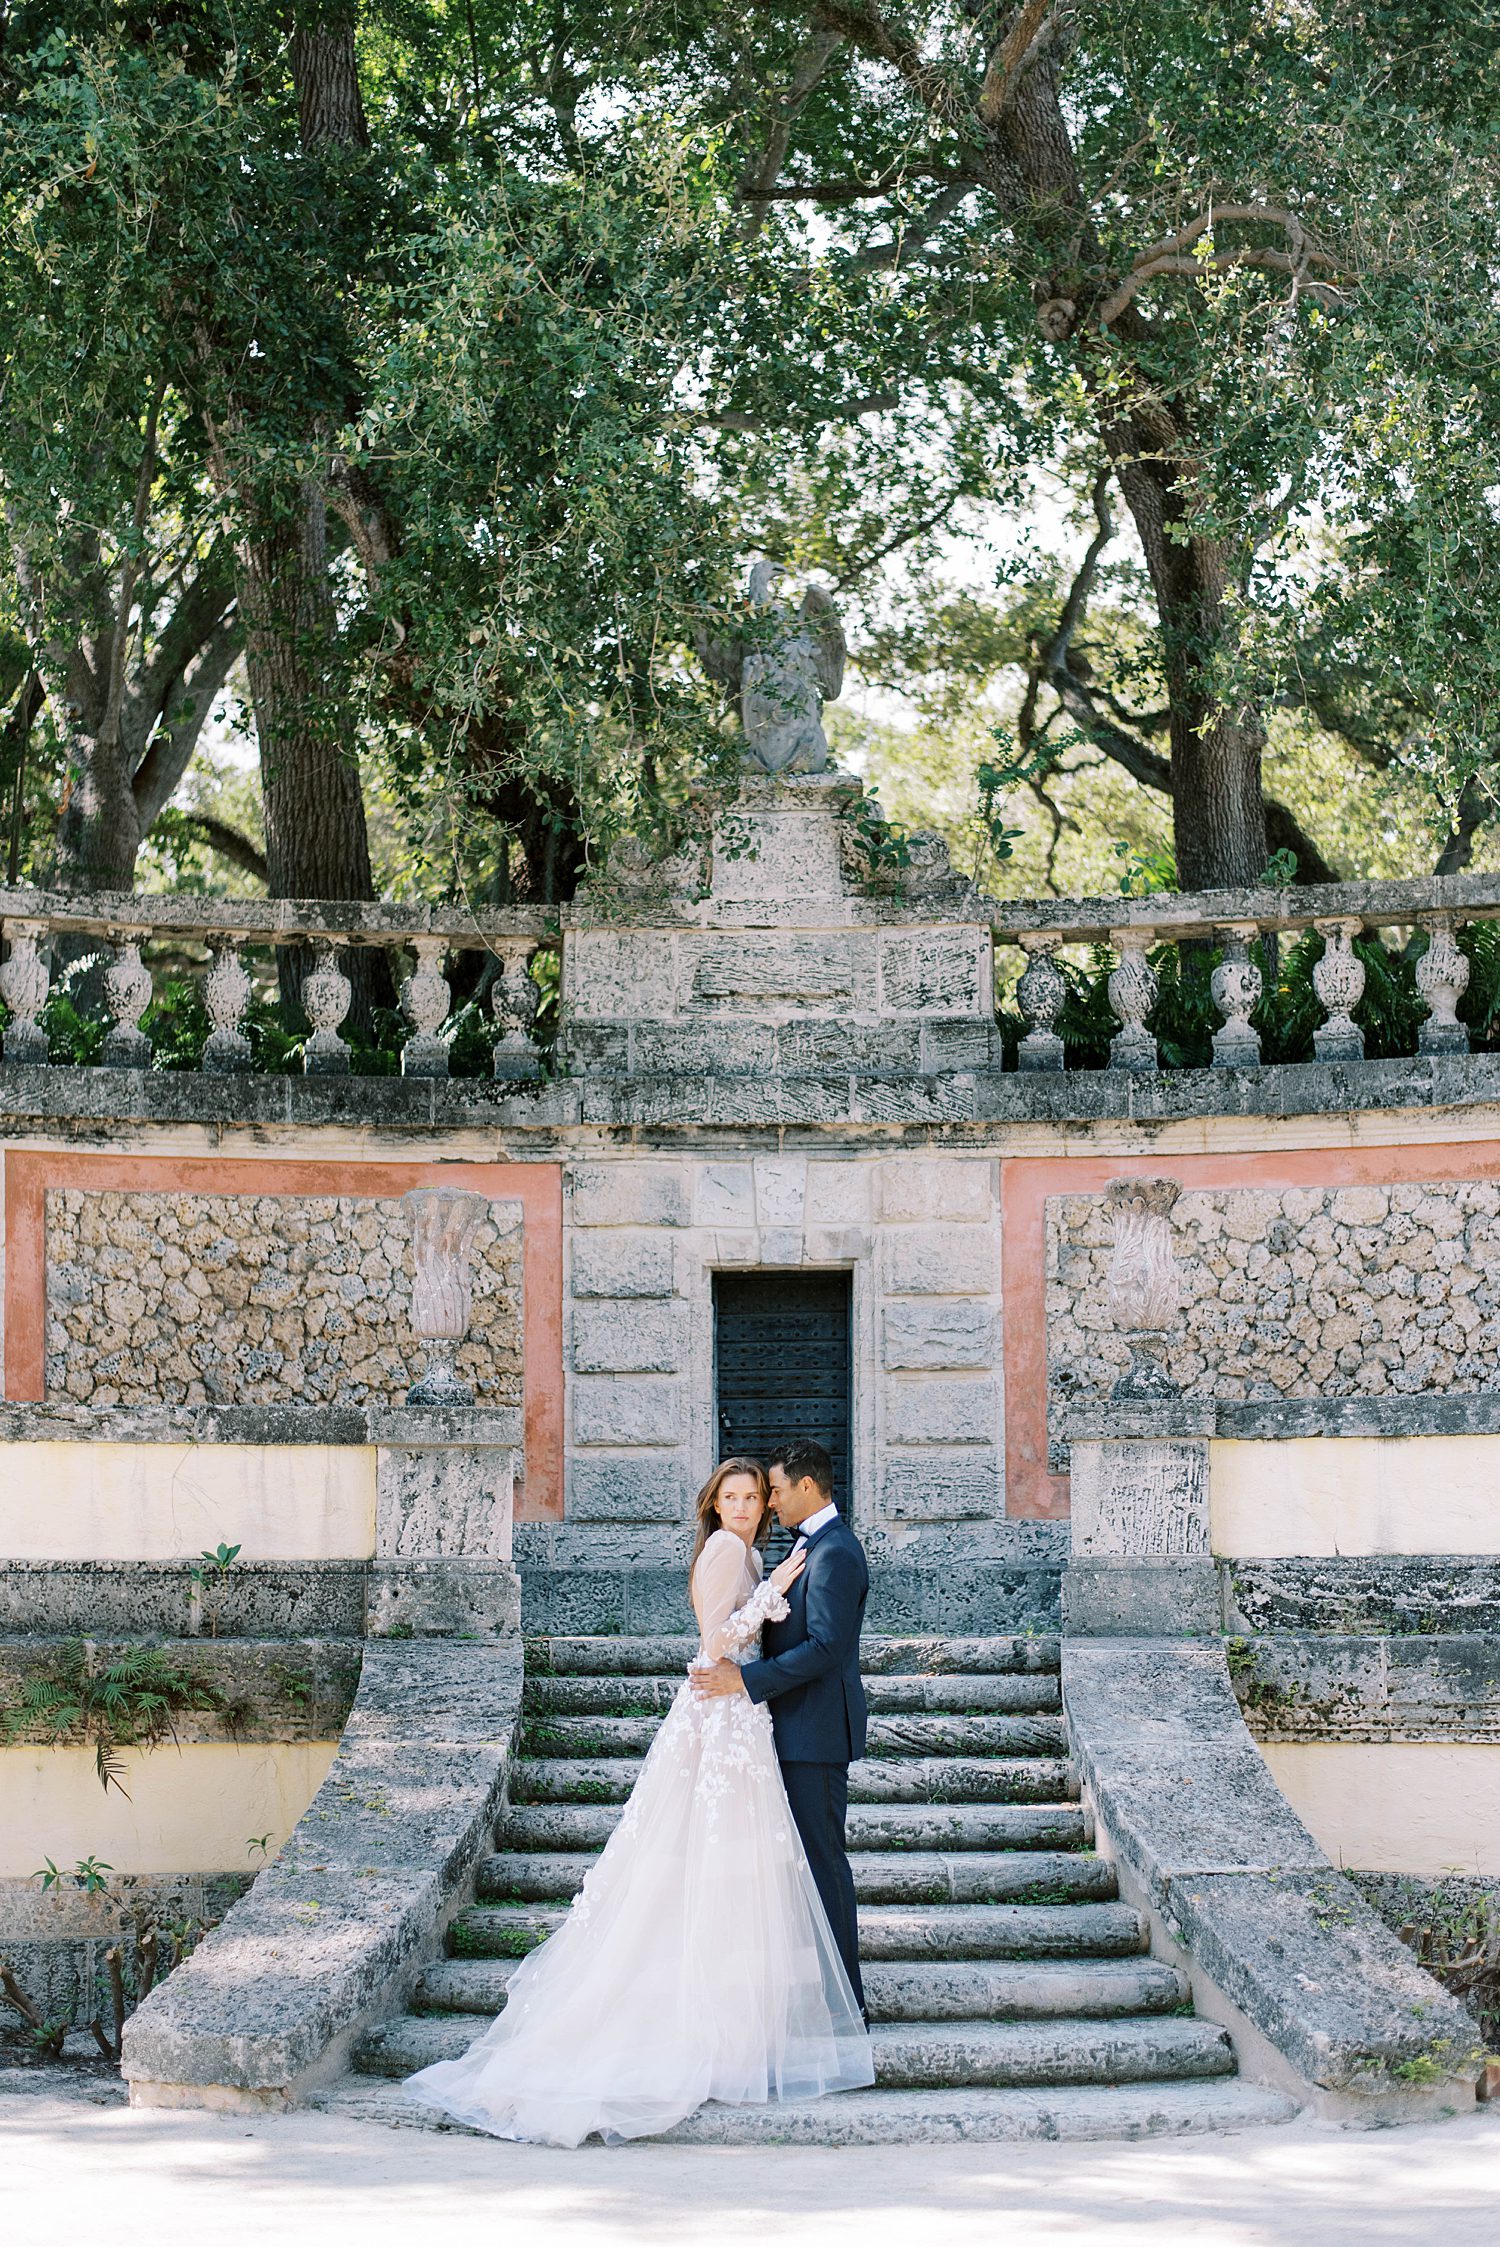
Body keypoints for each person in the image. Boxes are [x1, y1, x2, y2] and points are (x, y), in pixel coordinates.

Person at [402, 1456, 873, 2145]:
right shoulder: (728, 1551)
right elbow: (718, 1642)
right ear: (714, 1505)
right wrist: (769, 1594)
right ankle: (748, 2012)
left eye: (757, 1494)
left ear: (785, 1497)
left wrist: (765, 1598)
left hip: (752, 1716)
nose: (750, 1504)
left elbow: (811, 1641)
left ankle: (768, 2008)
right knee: (723, 1860)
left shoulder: (779, 1550)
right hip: (728, 1711)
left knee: (755, 1867)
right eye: (736, 1495)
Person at [690, 1439, 869, 2016]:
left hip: (813, 1733)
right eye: (743, 1496)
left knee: (821, 1862)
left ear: (808, 1488)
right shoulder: (794, 1549)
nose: (767, 1505)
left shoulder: (834, 1551)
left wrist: (747, 1682)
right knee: (794, 1865)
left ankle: (846, 2001)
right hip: (783, 1727)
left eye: (774, 1492)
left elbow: (825, 1648)